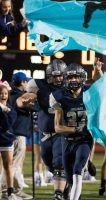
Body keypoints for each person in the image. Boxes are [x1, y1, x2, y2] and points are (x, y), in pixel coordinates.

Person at [50, 60, 103, 200]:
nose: (73, 80)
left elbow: (102, 83)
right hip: (67, 141)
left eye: (76, 77)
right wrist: (76, 129)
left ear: (82, 78)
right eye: (70, 77)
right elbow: (57, 127)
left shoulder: (89, 93)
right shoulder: (59, 96)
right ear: (66, 79)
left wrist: (97, 70)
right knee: (70, 179)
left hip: (84, 140)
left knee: (77, 171)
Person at [16, 59, 68, 200]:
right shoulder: (40, 85)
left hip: (61, 133)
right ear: (49, 75)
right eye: (55, 75)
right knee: (48, 162)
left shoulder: (70, 87)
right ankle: (66, 183)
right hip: (45, 134)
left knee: (59, 163)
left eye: (60, 75)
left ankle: (58, 194)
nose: (58, 78)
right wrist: (22, 102)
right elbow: (24, 98)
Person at [1, 72, 33, 200]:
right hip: (17, 135)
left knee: (14, 164)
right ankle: (5, 190)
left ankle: (17, 189)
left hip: (12, 134)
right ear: (23, 82)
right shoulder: (18, 96)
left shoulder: (11, 94)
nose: (28, 84)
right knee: (11, 165)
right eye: (27, 82)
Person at [0, 82, 20, 200]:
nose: (3, 96)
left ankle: (10, 192)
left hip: (6, 140)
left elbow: (7, 125)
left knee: (8, 166)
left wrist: (3, 111)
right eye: (1, 94)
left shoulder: (11, 110)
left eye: (5, 93)